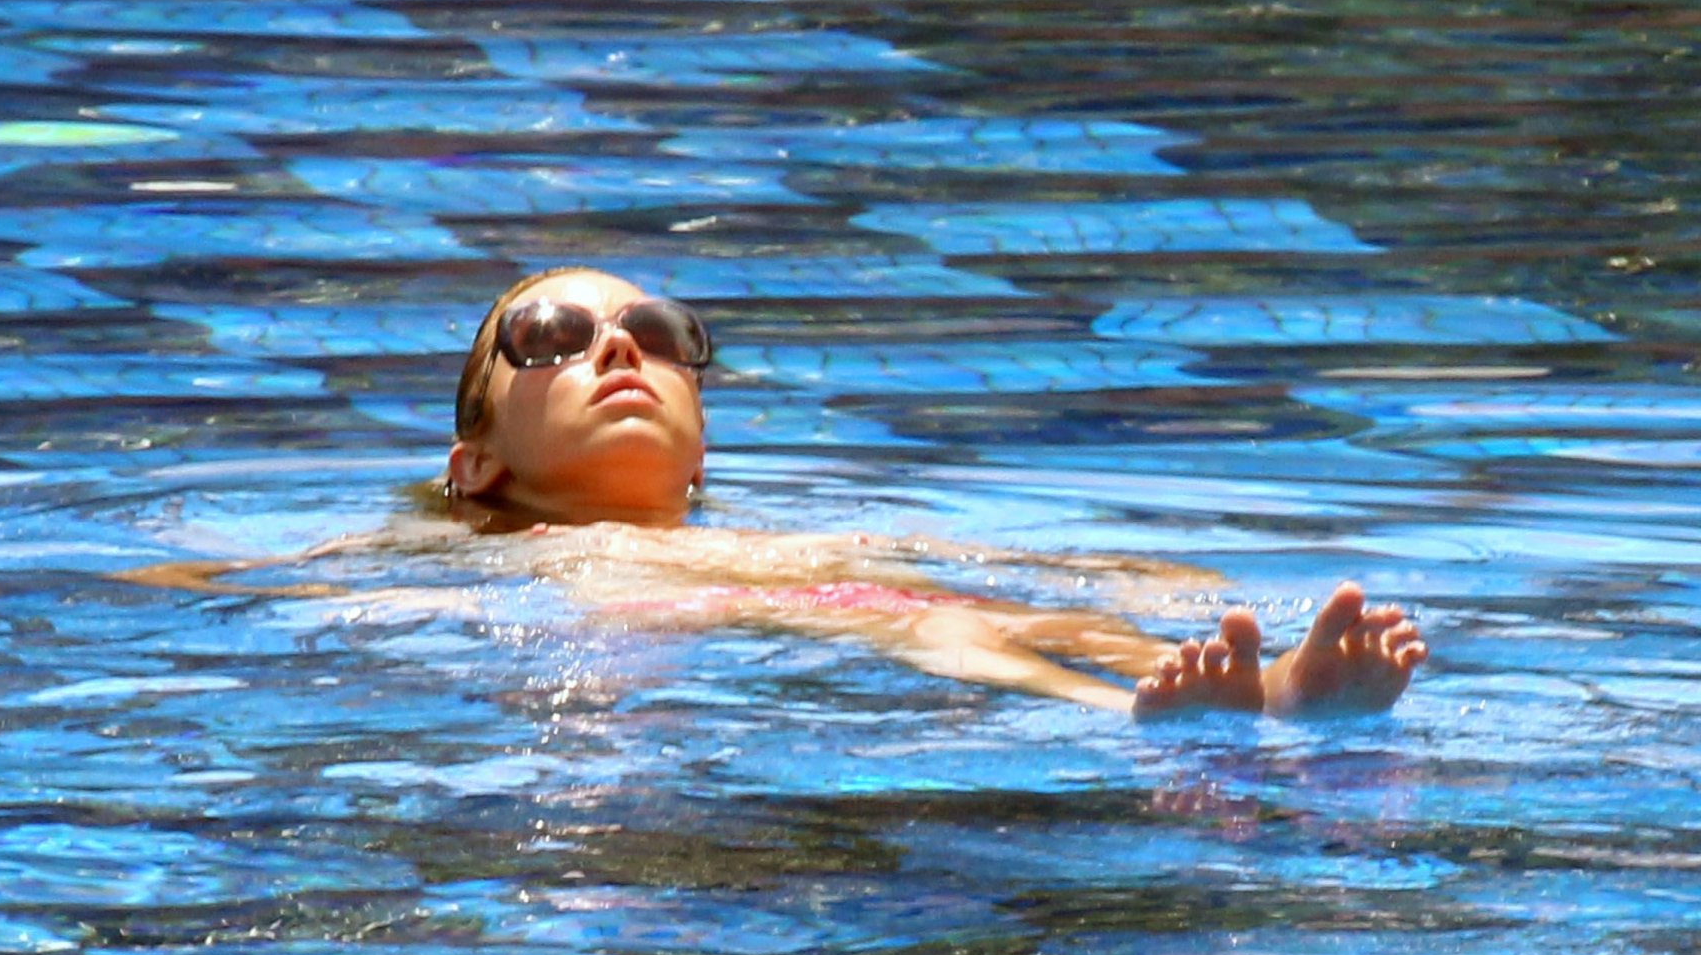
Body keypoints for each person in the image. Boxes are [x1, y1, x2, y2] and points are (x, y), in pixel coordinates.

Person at [120, 266, 1427, 717]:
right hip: (697, 634)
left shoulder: (808, 537)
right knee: (939, 628)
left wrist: (1132, 584)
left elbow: (1012, 566)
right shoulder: (484, 550)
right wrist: (180, 574)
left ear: (700, 449)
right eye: (551, 337)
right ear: (476, 467)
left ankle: (1263, 692)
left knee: (1025, 615)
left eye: (656, 334)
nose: (617, 349)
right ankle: (1136, 717)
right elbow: (261, 578)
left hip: (817, 597)